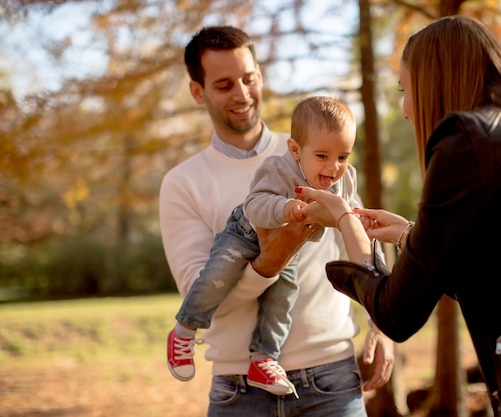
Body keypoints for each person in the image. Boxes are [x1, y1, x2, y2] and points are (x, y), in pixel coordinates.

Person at [295, 15, 501, 417]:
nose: (404, 110)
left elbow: (397, 313)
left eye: (405, 89)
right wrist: (407, 235)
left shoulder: (465, 138)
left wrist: (345, 221)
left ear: (434, 81)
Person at [159, 25, 394, 416]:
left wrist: (381, 323)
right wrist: (270, 262)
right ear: (197, 92)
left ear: (260, 77)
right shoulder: (183, 183)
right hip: (239, 392)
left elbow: (361, 237)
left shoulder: (320, 150)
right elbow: (201, 294)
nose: (242, 94)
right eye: (224, 84)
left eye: (249, 78)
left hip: (333, 380)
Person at [166, 95, 362, 398]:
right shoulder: (279, 168)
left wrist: (359, 221)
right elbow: (255, 203)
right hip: (245, 234)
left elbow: (348, 217)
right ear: (296, 150)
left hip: (289, 248)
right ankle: (184, 330)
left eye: (343, 156)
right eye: (322, 156)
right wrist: (285, 208)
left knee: (282, 299)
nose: (334, 167)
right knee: (218, 275)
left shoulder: (344, 180)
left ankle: (263, 358)